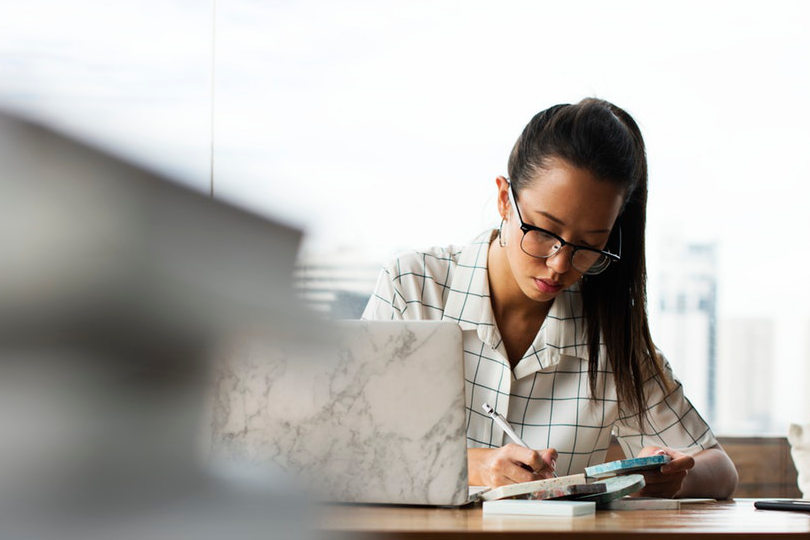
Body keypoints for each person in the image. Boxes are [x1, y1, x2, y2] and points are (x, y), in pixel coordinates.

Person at [361, 98, 738, 499]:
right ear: (505, 199)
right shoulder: (414, 289)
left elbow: (721, 470)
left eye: (590, 245)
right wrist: (475, 466)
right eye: (543, 231)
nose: (560, 264)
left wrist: (675, 474)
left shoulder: (607, 332)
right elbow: (342, 448)